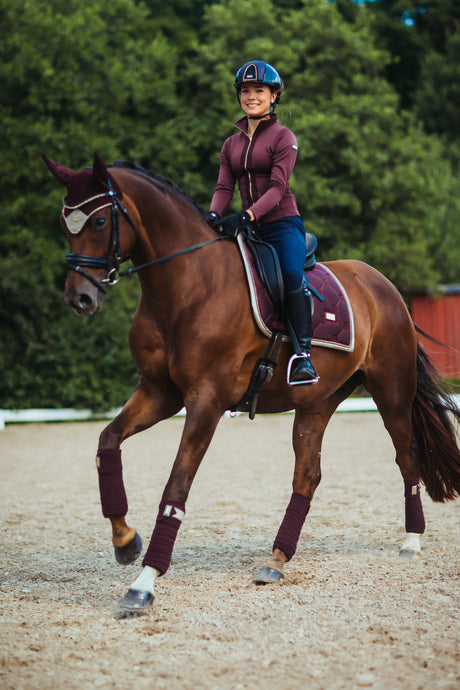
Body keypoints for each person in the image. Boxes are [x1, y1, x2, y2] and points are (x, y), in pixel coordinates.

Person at [206, 60, 319, 385]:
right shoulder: (231, 144)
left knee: (290, 274)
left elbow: (277, 188)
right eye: (245, 91)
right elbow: (224, 187)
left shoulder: (284, 137)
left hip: (283, 224)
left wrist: (246, 216)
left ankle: (303, 357)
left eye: (259, 90)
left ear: (273, 96)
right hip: (250, 228)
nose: (251, 96)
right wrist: (213, 216)